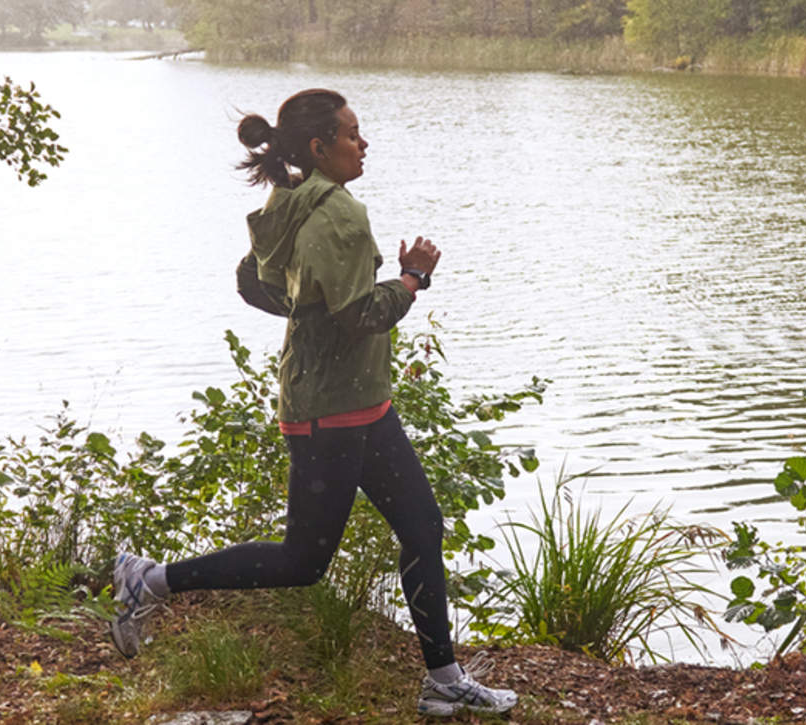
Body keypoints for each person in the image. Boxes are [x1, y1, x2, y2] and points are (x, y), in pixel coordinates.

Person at [109, 88, 517, 717]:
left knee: (421, 526)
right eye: (353, 134)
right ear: (320, 147)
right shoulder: (338, 216)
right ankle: (149, 579)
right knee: (303, 560)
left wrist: (308, 317)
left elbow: (254, 284)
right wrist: (412, 279)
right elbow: (359, 315)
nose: (364, 143)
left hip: (359, 402)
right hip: (332, 413)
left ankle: (443, 677)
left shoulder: (287, 203)